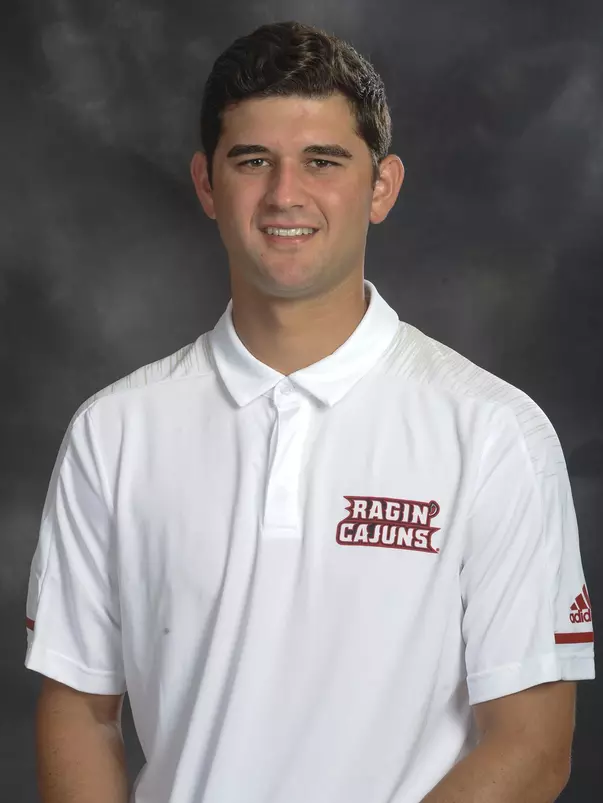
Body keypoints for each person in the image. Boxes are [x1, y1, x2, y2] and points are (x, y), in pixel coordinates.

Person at [25, 20, 595, 803]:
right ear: (206, 185)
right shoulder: (113, 433)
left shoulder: (494, 433)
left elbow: (532, 746)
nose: (284, 194)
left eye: (322, 162)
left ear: (381, 186)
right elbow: (80, 713)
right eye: (251, 161)